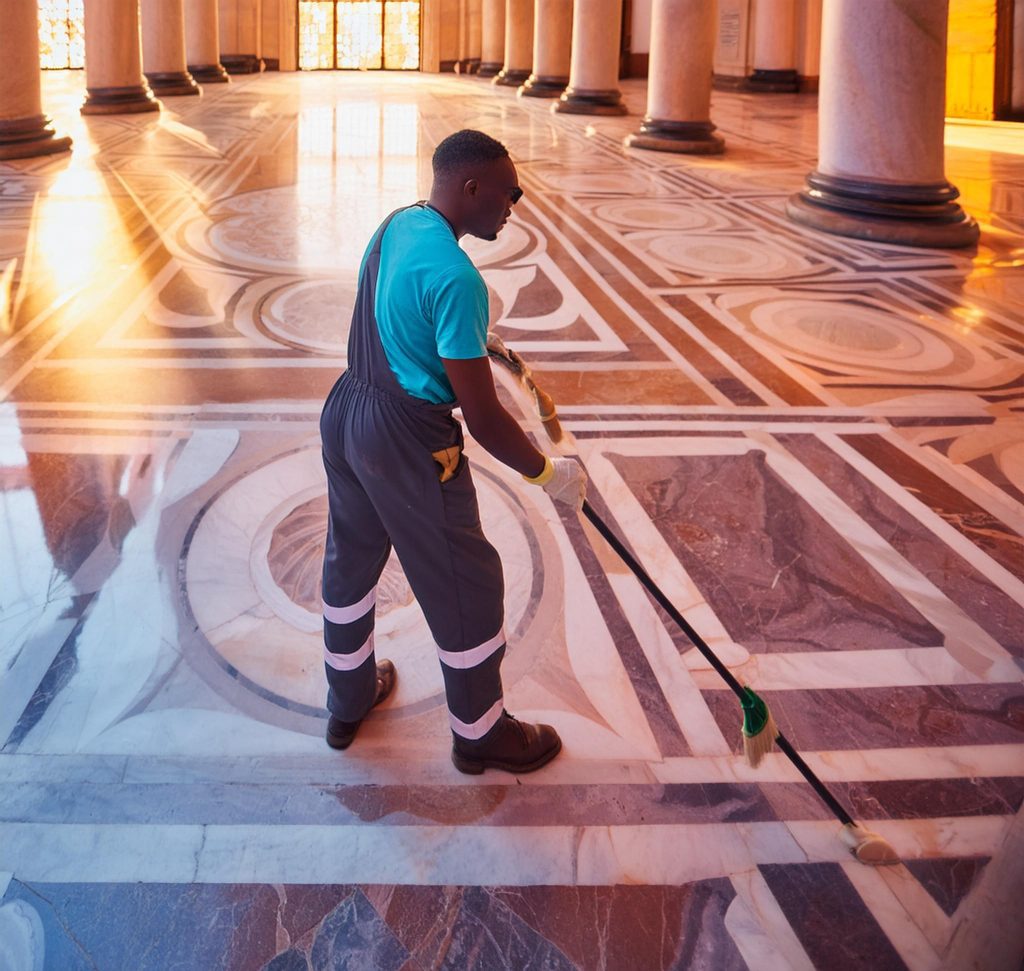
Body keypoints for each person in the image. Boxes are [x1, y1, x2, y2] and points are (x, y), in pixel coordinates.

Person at [319, 129, 588, 774]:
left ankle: (348, 697)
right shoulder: (461, 279)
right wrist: (548, 473)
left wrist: (464, 347)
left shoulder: (399, 225)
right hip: (408, 441)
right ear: (471, 188)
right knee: (465, 580)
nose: (511, 206)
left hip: (347, 412)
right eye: (508, 193)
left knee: (350, 559)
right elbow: (486, 418)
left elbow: (398, 319)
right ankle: (482, 730)